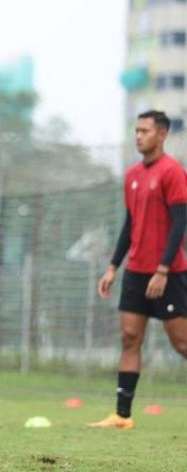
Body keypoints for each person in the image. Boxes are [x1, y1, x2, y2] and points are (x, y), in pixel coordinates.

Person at [89, 110, 187, 430]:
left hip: (168, 273)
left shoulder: (172, 172)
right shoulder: (131, 174)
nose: (138, 136)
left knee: (182, 343)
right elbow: (130, 224)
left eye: (145, 130)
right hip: (135, 272)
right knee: (130, 338)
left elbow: (179, 224)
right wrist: (113, 266)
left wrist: (162, 270)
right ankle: (122, 415)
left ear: (162, 134)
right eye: (136, 130)